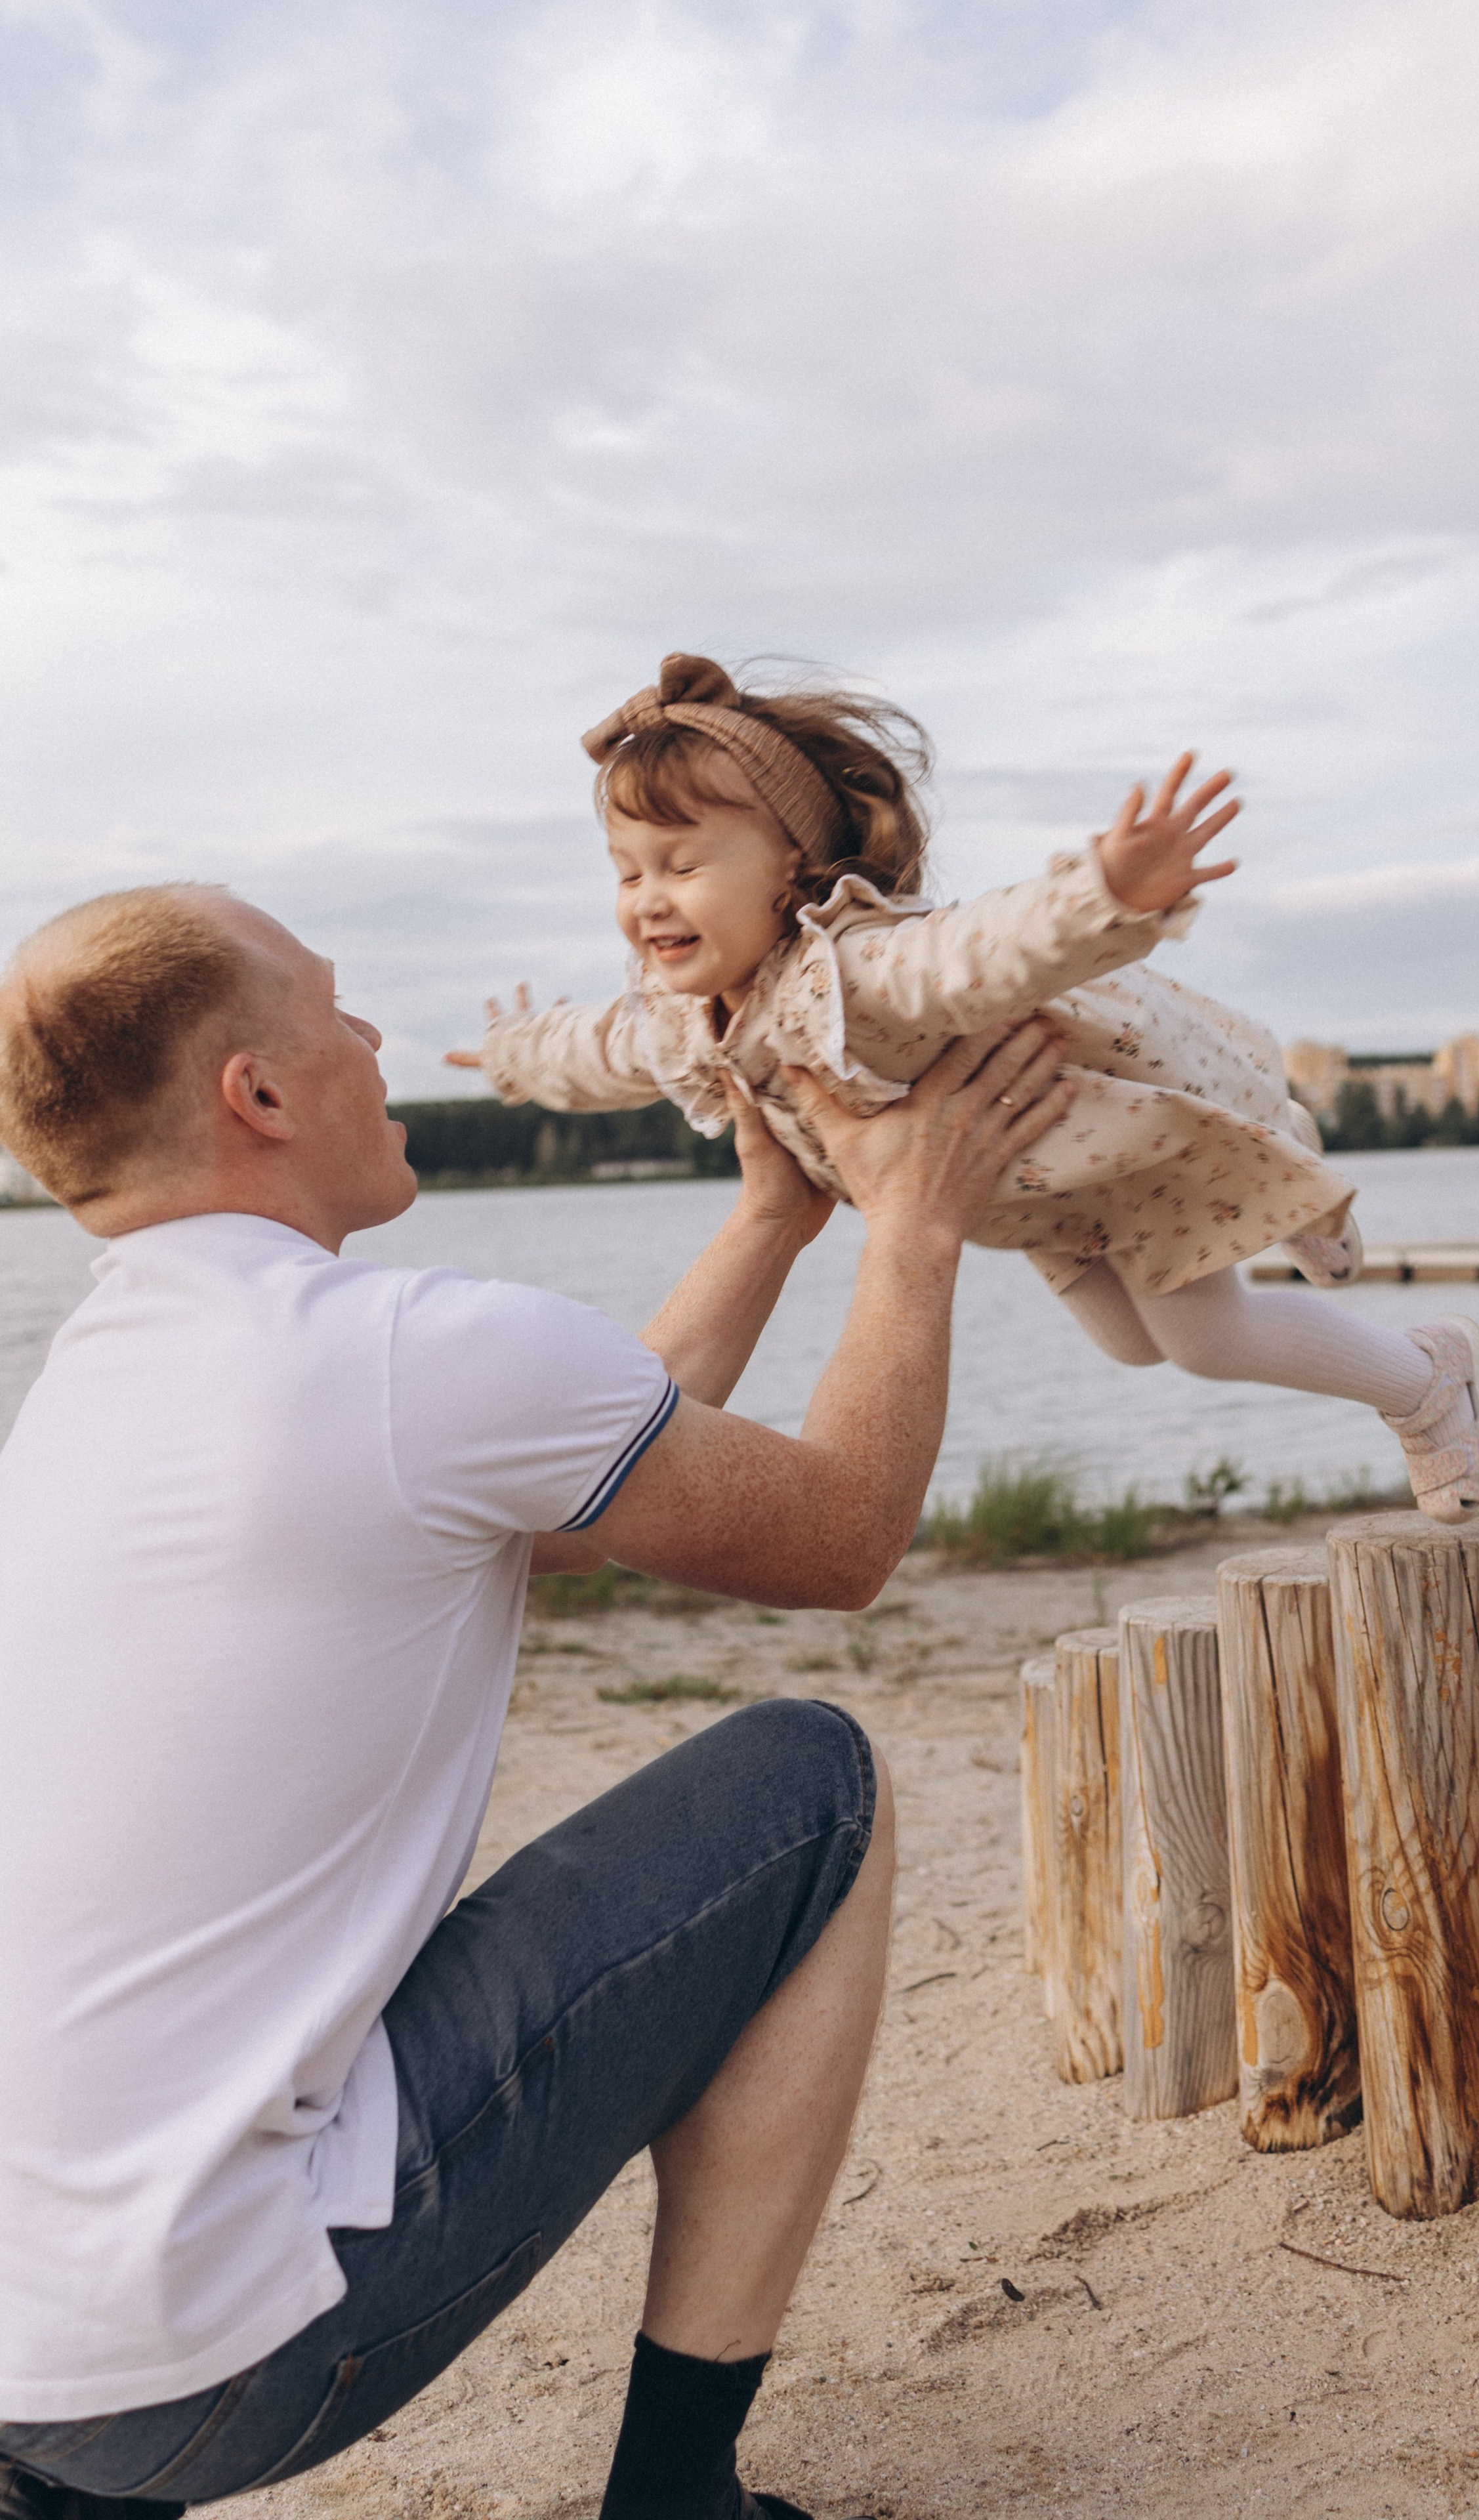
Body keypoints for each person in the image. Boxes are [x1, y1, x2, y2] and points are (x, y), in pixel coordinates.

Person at [0, 879, 1074, 2520]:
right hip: (211, 2371)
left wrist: (770, 1224)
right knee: (812, 1784)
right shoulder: (401, 1352)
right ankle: (675, 2500)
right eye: (334, 1010)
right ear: (261, 1096)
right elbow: (844, 1535)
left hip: (31, 2371)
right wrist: (917, 1223)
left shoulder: (93, 1386)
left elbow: (559, 1503)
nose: (370, 1041)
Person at [448, 654, 1479, 1525]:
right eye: (627, 872)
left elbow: (991, 949)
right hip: (1039, 1193)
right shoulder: (690, 1018)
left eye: (680, 864)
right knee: (1130, 1346)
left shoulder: (861, 971)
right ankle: (1276, 1160)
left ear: (795, 869)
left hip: (1105, 1145)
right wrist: (514, 1057)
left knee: (1204, 1340)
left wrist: (1107, 893)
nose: (646, 902)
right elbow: (599, 1049)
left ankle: (1426, 1382)